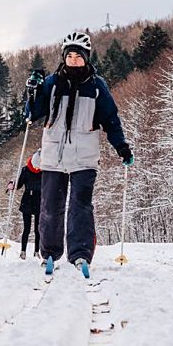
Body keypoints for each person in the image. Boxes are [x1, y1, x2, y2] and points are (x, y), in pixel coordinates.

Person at [25, 31, 133, 273]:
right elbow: (32, 115)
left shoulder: (96, 86)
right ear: (64, 57)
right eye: (70, 56)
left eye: (78, 56)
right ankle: (50, 253)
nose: (74, 60)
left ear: (87, 57)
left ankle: (80, 254)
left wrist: (121, 147)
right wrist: (32, 92)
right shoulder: (52, 83)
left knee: (80, 206)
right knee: (50, 206)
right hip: (53, 156)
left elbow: (111, 120)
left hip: (84, 157)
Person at [15, 149, 42, 259]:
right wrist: (13, 185)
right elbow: (19, 184)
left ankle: (37, 251)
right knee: (26, 228)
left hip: (39, 200)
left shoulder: (44, 171)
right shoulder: (25, 170)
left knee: (38, 229)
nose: (36, 169)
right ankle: (23, 251)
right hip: (27, 200)